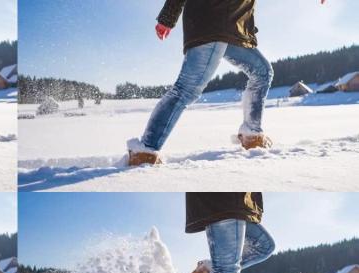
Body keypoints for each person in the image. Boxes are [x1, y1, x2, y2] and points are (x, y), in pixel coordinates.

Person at [127, 0, 327, 166]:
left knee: (262, 72)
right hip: (212, 21)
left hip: (233, 28)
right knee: (185, 90)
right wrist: (168, 17)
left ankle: (252, 134)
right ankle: (146, 150)